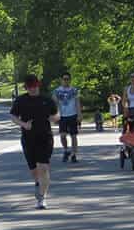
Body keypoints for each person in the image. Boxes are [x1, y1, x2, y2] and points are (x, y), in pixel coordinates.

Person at [10, 74, 59, 210]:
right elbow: (13, 116)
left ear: (38, 85)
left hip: (45, 137)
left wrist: (54, 119)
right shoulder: (21, 101)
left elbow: (56, 115)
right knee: (34, 170)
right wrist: (23, 124)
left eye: (34, 86)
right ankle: (38, 183)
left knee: (43, 167)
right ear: (26, 87)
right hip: (28, 138)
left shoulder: (47, 100)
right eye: (29, 87)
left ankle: (42, 198)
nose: (32, 89)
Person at [52, 72, 82, 163]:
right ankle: (66, 150)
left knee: (73, 135)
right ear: (61, 80)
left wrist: (79, 114)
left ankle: (74, 154)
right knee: (62, 135)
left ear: (70, 80)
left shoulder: (74, 90)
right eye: (64, 79)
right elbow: (54, 103)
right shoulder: (57, 91)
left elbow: (77, 102)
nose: (66, 81)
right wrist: (55, 115)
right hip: (62, 116)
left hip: (72, 114)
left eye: (68, 79)